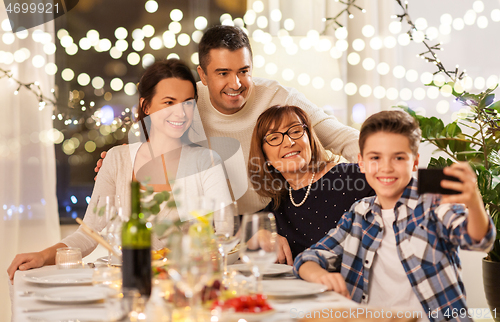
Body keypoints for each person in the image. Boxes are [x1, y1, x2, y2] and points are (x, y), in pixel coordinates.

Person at [96, 25, 360, 217]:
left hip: (272, 215)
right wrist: (116, 165)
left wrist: (383, 169)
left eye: (243, 71)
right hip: (207, 221)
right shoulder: (186, 102)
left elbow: (343, 138)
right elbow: (151, 142)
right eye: (223, 73)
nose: (236, 84)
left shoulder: (279, 97)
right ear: (203, 74)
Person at [7, 59, 231, 282]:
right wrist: (42, 255)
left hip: (186, 284)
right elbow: (89, 233)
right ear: (146, 106)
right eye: (169, 102)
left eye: (188, 103)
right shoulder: (118, 159)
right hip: (127, 283)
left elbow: (225, 233)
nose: (181, 113)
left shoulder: (207, 162)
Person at [293, 110, 495, 321]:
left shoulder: (435, 204)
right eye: (375, 158)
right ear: (361, 162)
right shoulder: (359, 213)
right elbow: (308, 257)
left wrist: (474, 202)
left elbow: (478, 239)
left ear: (415, 162)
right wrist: (320, 274)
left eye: (398, 157)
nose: (386, 168)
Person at [248, 105, 374, 264]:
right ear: (265, 157)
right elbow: (230, 227)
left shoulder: (355, 178)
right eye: (274, 138)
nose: (289, 142)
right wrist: (255, 234)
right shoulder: (278, 207)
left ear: (309, 138)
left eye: (295, 131)